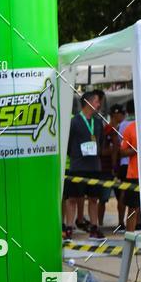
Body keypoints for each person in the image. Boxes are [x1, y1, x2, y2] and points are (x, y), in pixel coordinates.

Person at [63, 90, 105, 241]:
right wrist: (75, 155)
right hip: (78, 166)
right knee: (72, 198)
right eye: (96, 101)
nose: (98, 104)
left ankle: (94, 228)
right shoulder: (74, 122)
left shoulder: (98, 122)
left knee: (94, 198)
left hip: (94, 166)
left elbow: (101, 143)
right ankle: (69, 228)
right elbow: (66, 145)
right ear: (87, 103)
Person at [98, 103, 125, 228]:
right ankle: (100, 223)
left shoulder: (120, 129)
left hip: (117, 169)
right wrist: (114, 151)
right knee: (103, 198)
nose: (124, 116)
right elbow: (102, 151)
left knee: (121, 197)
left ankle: (120, 223)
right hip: (106, 169)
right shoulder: (108, 129)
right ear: (115, 114)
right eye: (122, 113)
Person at [120, 120, 140, 233]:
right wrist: (136, 149)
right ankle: (130, 241)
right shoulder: (130, 127)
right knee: (133, 209)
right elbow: (122, 152)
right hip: (134, 175)